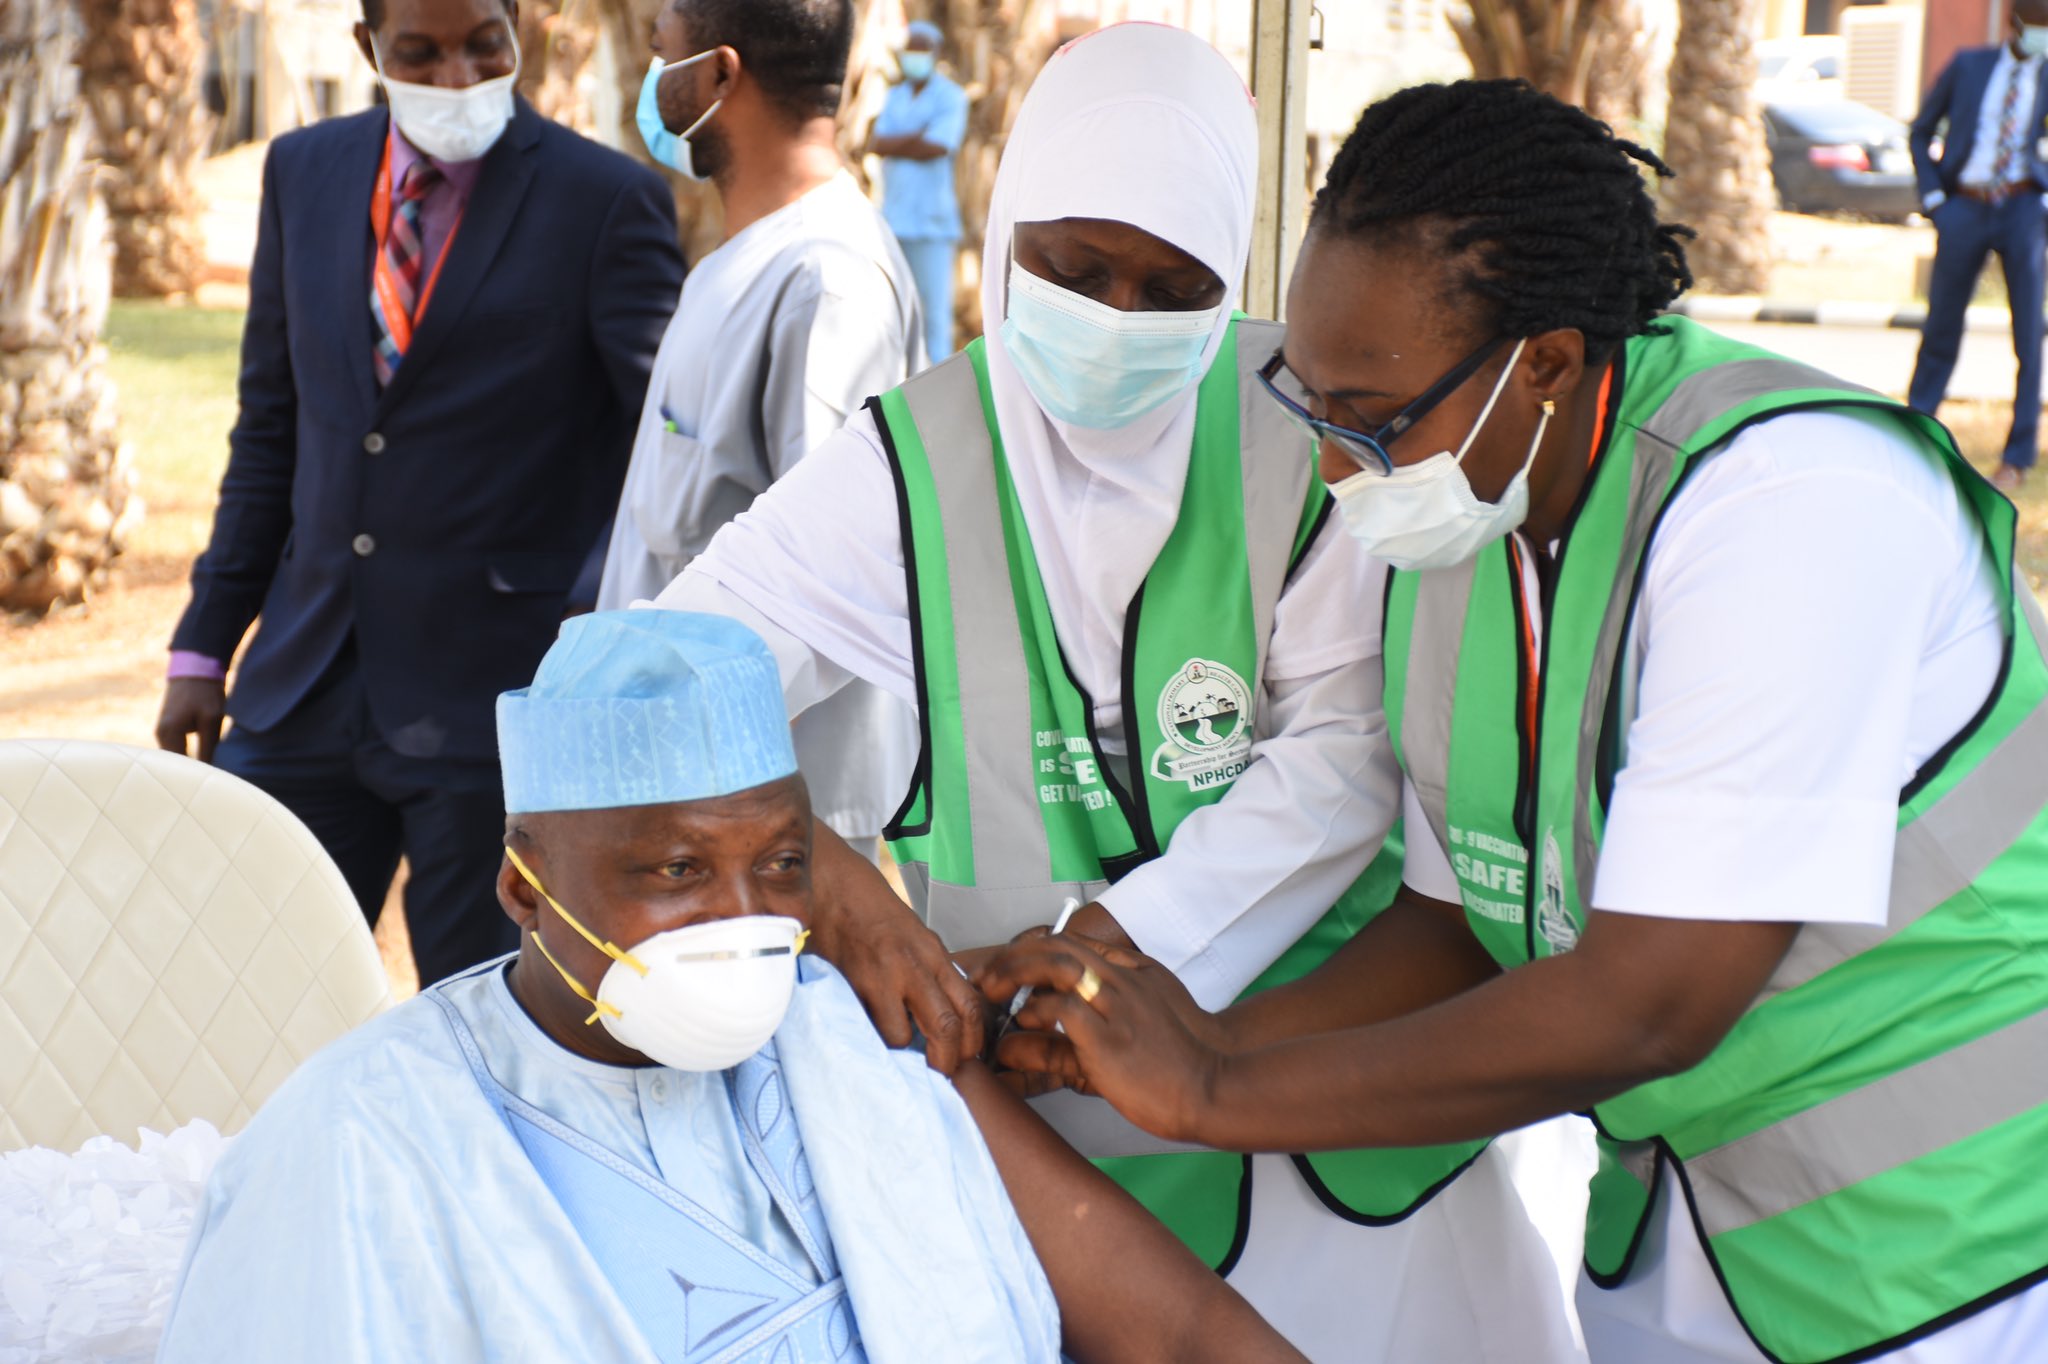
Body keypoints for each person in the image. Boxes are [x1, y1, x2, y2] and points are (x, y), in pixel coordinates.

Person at [980, 78, 2048, 1364]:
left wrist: (1212, 1089)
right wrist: (1166, 1033)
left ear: (1542, 363)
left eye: (1371, 419)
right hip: (1694, 1239)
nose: (1333, 466)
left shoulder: (1788, 506)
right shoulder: (1471, 518)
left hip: (1949, 1257)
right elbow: (1459, 927)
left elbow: (1643, 1003)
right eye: (1310, 405)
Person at [654, 25, 1580, 1363]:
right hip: (1034, 1126)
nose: (1114, 319)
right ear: (1005, 223)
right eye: (1074, 270)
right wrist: (826, 881)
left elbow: (1341, 756)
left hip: (1315, 1094)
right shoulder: (910, 462)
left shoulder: (1314, 427)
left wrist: (1110, 955)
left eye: (1169, 286)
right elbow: (655, 676)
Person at [155, 610, 1303, 1364]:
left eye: (782, 865)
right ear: (520, 885)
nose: (743, 916)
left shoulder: (860, 1044)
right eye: (674, 870)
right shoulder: (366, 1137)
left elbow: (1183, 1330)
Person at [154, 0, 683, 985]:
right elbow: (272, 429)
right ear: (368, 50)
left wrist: (584, 640)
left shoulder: (603, 199)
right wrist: (203, 640)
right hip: (301, 687)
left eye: (485, 44)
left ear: (519, 28)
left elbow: (655, 456)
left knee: (481, 1017)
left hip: (494, 703)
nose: (457, 76)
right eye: (421, 52)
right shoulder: (301, 174)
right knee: (248, 992)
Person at [598, 0, 918, 868]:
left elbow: (828, 584)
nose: (652, 75)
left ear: (718, 75)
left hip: (755, 832)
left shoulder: (828, 282)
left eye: (663, 52)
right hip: (681, 796)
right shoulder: (743, 264)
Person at [1908, 0, 2048, 494]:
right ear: (2015, 23)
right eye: (2039, 27)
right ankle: (1915, 432)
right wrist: (1935, 201)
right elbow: (1921, 129)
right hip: (1963, 207)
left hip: (2023, 210)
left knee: (2030, 336)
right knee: (1942, 325)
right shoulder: (1970, 65)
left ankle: (2017, 455)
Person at [870, 19, 969, 364]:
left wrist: (899, 142)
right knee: (891, 308)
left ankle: (935, 382)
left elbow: (939, 147)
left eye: (920, 49)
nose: (914, 56)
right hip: (894, 218)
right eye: (909, 49)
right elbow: (877, 142)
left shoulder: (952, 96)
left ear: (934, 52)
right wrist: (917, 135)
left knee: (934, 313)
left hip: (932, 222)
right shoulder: (894, 95)